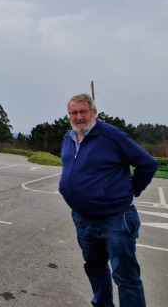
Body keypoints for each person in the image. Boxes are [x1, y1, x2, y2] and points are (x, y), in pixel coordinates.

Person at [59, 93, 158, 307]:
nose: (79, 117)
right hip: (84, 219)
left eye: (83, 111)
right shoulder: (68, 138)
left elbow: (148, 164)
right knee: (95, 268)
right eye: (73, 113)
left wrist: (133, 190)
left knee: (125, 276)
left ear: (94, 112)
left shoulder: (111, 136)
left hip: (116, 218)